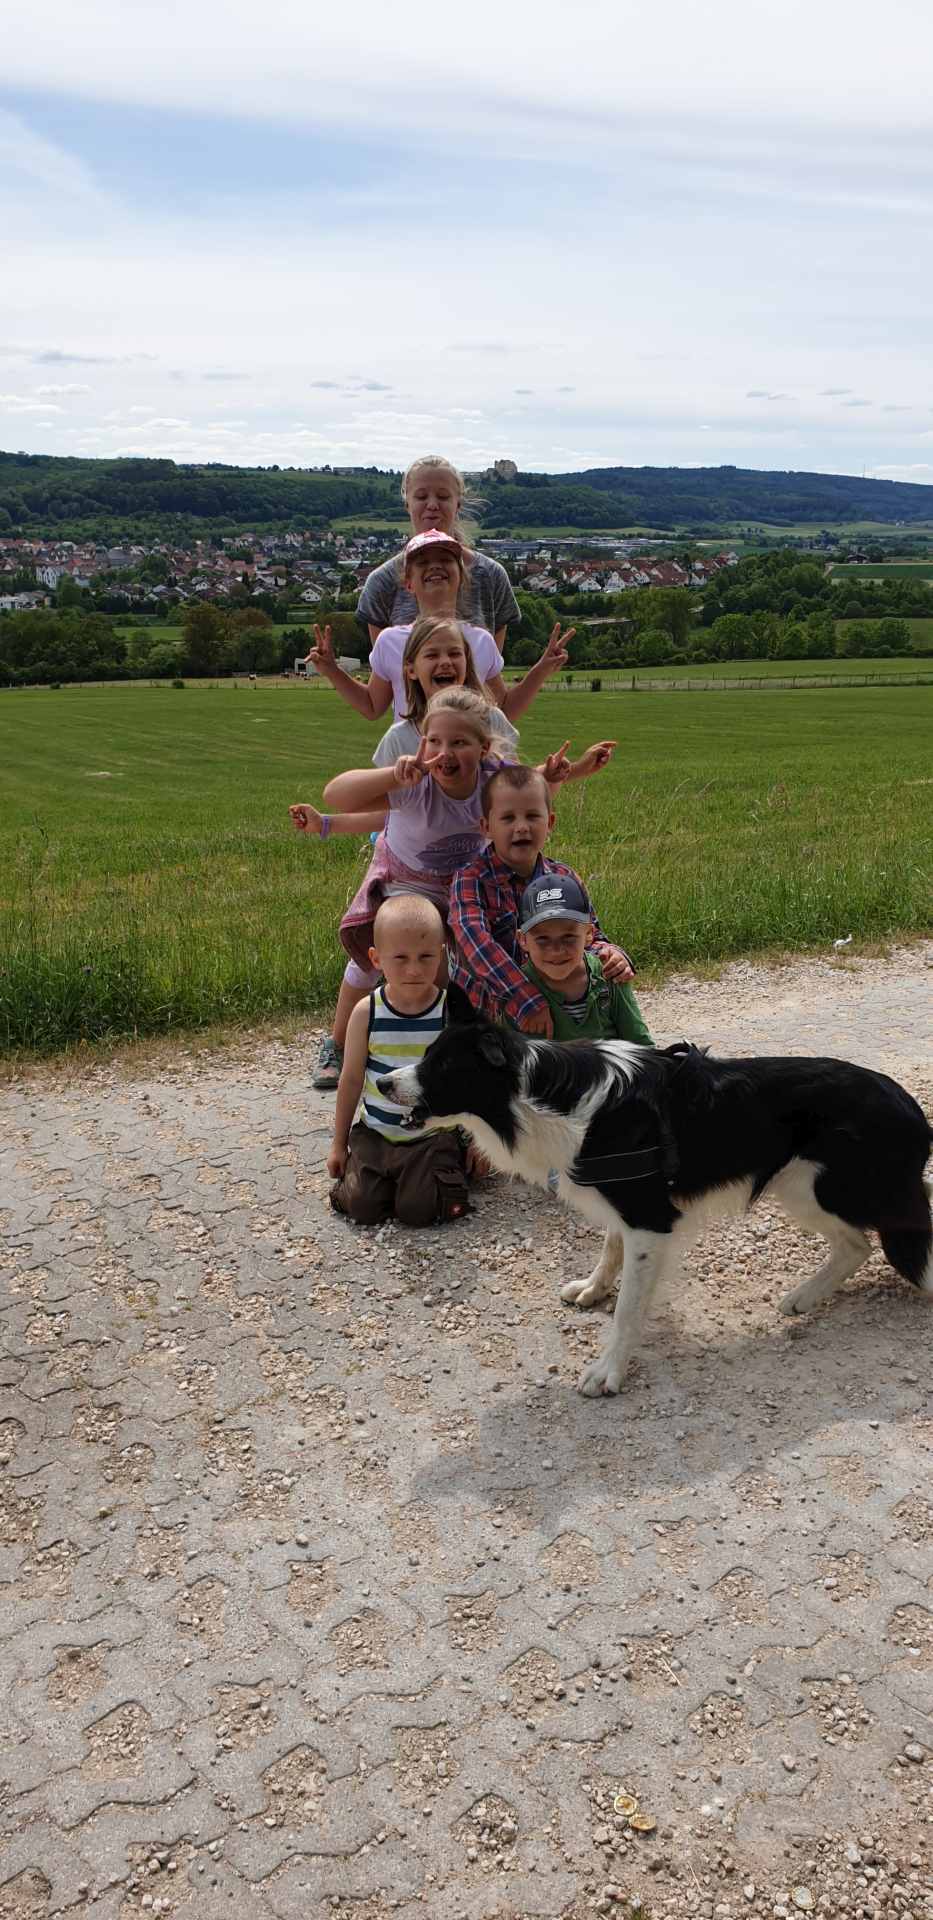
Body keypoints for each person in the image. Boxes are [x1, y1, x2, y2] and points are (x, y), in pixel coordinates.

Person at [305, 527, 569, 728]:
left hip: (466, 772)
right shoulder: (390, 641)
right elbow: (372, 706)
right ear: (408, 584)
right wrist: (332, 670)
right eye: (422, 562)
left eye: (445, 559)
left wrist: (541, 670)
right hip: (409, 772)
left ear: (462, 577)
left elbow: (505, 709)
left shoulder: (481, 640)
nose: (434, 565)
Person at [449, 763, 636, 1036]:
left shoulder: (564, 877)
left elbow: (590, 934)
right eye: (508, 818)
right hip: (488, 1014)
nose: (522, 827)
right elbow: (478, 946)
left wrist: (612, 954)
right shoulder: (470, 880)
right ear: (486, 826)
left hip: (552, 1012)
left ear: (549, 823)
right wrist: (525, 999)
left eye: (532, 816)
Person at [328, 895, 472, 1227]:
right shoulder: (366, 1013)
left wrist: (478, 1141)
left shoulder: (450, 1013)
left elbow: (469, 1080)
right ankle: (381, 1179)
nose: (414, 969)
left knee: (419, 1210)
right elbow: (351, 1079)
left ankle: (434, 1175)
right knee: (362, 1208)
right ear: (376, 959)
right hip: (376, 1134)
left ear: (441, 954)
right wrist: (338, 1144)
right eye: (401, 958)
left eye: (426, 957)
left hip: (431, 1136)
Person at [357, 455, 519, 642]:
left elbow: (493, 660)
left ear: (458, 504)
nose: (432, 505)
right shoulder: (382, 582)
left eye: (443, 497)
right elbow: (383, 660)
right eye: (421, 497)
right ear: (407, 504)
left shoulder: (491, 576)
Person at [515, 873, 652, 1044]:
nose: (556, 951)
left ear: (589, 934)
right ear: (522, 940)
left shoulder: (609, 973)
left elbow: (640, 1042)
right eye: (542, 939)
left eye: (568, 937)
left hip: (610, 1062)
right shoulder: (519, 989)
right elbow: (510, 1054)